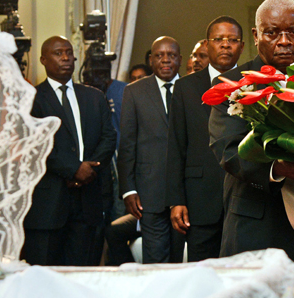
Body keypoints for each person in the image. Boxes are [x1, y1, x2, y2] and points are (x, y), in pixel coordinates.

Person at [209, 0, 294, 298]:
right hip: (255, 230)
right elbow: (228, 150)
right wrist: (277, 168)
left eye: (293, 32)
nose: (284, 41)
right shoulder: (234, 84)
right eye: (272, 32)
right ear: (255, 36)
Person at [22, 36, 117, 266]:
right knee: (45, 275)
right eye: (57, 53)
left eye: (68, 52)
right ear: (43, 59)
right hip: (48, 204)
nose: (65, 57)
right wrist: (74, 169)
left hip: (89, 202)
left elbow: (108, 137)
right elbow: (37, 143)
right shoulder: (32, 99)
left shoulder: (94, 96)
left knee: (85, 273)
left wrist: (89, 169)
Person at [166, 16, 244, 262]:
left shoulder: (253, 83)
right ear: (207, 45)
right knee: (203, 276)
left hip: (244, 197)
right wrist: (176, 200)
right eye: (218, 39)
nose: (225, 45)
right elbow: (176, 146)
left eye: (232, 40)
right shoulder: (185, 87)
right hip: (200, 199)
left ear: (242, 47)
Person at [118, 36, 184, 263]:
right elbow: (127, 143)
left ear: (180, 60)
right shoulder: (134, 91)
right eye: (159, 55)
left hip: (186, 194)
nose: (165, 60)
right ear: (151, 60)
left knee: (182, 263)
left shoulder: (191, 89)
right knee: (155, 262)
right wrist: (128, 189)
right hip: (149, 192)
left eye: (171, 55)